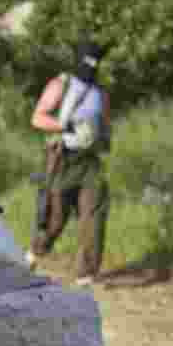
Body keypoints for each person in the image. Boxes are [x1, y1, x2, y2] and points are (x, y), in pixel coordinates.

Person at [27, 40, 112, 286]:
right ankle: (35, 250)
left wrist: (103, 138)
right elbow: (38, 118)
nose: (91, 68)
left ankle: (86, 272)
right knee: (56, 218)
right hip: (62, 158)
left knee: (94, 213)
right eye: (88, 61)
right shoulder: (60, 85)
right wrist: (67, 126)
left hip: (89, 162)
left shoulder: (100, 93)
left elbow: (106, 123)